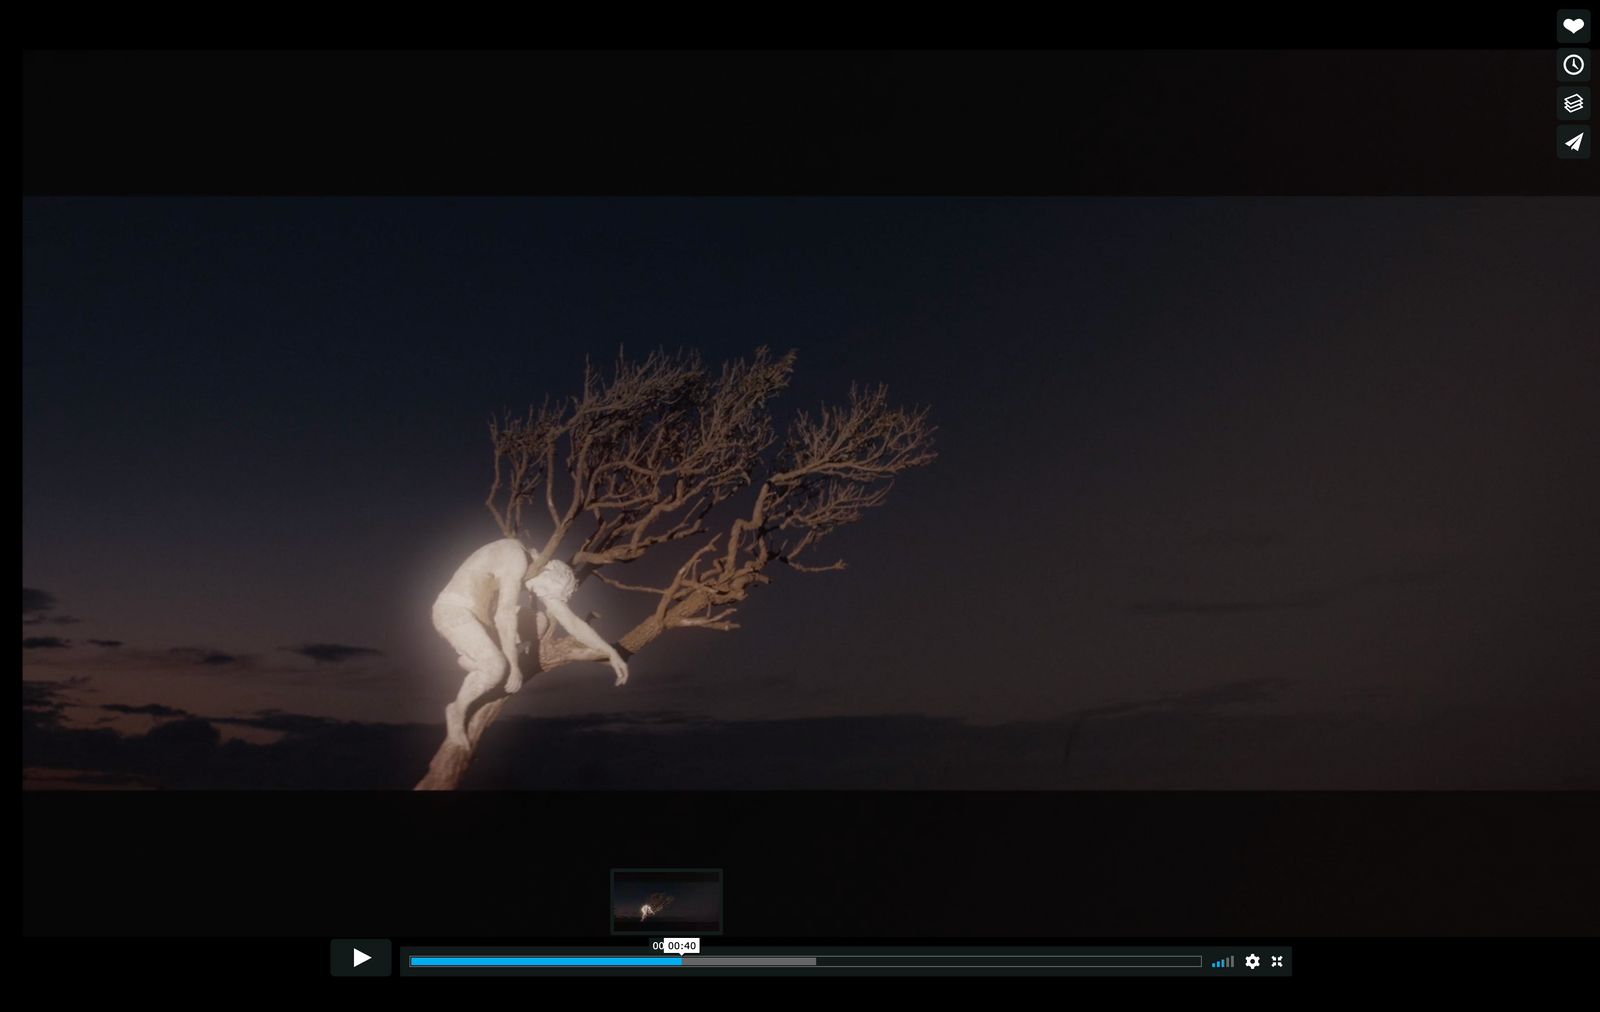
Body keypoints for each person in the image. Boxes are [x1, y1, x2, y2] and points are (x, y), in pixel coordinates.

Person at [434, 537, 628, 749]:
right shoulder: (514, 555)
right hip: (454, 611)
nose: (540, 595)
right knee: (498, 668)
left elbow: (571, 621)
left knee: (541, 621)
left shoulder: (539, 574)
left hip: (483, 620)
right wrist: (513, 665)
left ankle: (482, 660)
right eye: (544, 592)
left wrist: (610, 651)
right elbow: (504, 615)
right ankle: (457, 709)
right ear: (549, 577)